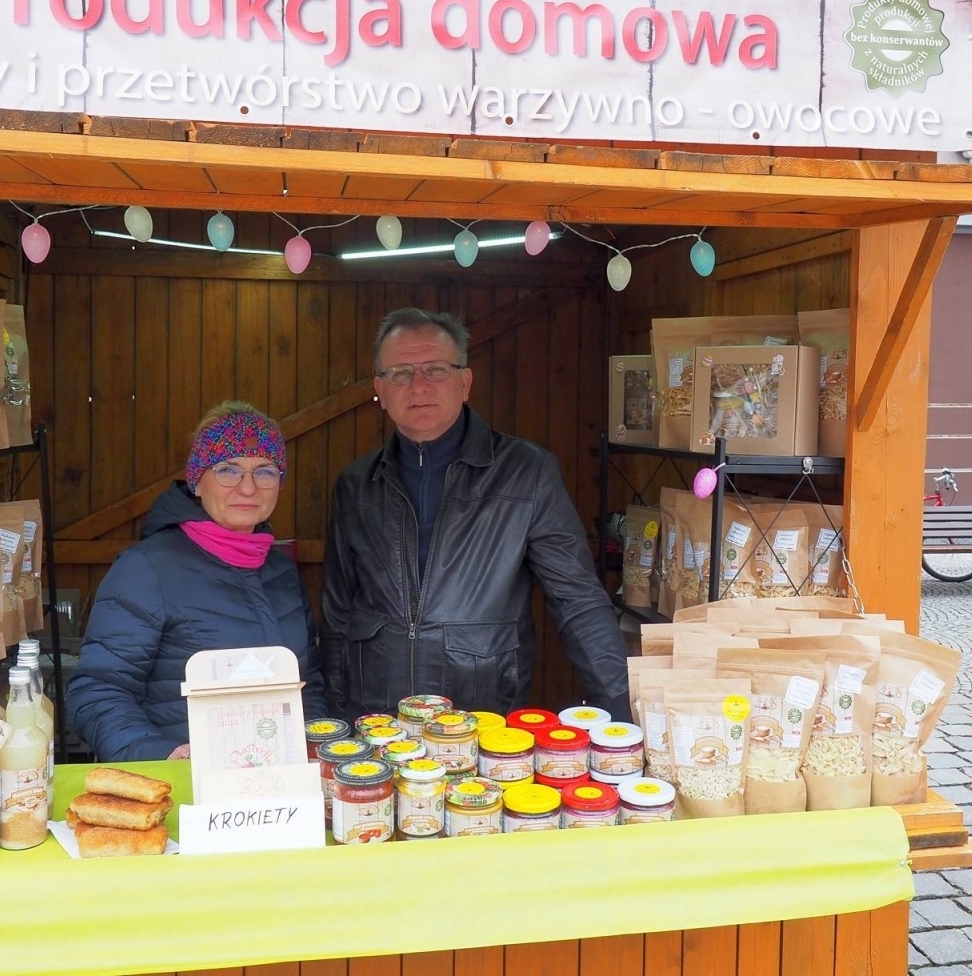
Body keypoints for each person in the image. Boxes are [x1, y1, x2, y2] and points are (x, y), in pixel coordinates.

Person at [322, 308, 630, 722]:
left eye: (435, 369)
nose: (418, 385)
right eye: (400, 373)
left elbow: (577, 602)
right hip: (379, 722)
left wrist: (624, 709)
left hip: (482, 719)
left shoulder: (526, 474)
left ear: (465, 383)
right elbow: (338, 616)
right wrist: (334, 723)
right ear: (380, 390)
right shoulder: (356, 485)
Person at [68, 401, 326, 762]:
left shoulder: (280, 572)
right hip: (185, 782)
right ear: (197, 482)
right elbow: (97, 691)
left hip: (277, 781)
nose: (248, 488)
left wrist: (312, 746)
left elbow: (307, 681)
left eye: (265, 471)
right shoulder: (147, 569)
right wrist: (163, 756)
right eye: (228, 470)